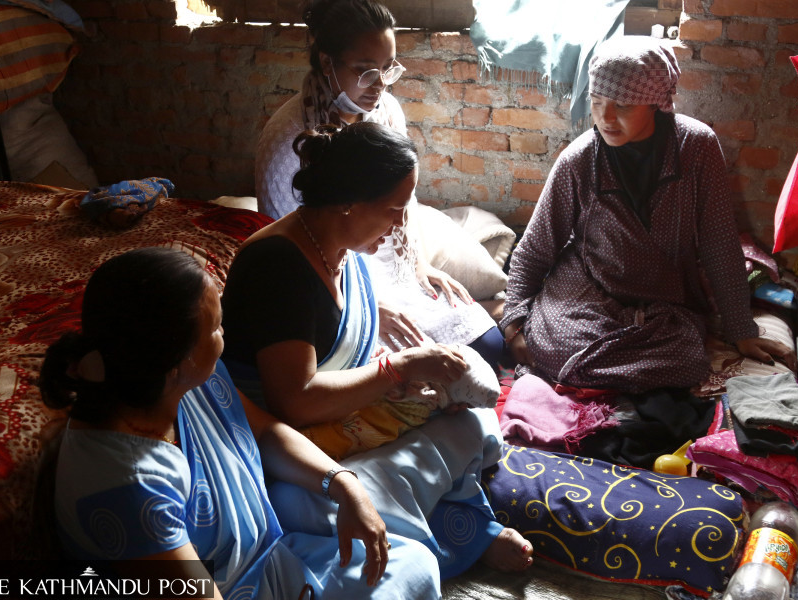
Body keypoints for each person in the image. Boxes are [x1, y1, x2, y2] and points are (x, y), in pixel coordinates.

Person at [40, 247, 442, 600]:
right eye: (215, 327)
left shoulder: (175, 379)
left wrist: (343, 483)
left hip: (269, 562)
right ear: (177, 360)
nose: (224, 332)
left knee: (412, 561)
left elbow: (265, 431)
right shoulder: (130, 492)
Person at [223, 122, 533, 578]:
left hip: (343, 424)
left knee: (473, 419)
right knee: (308, 500)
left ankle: (437, 520)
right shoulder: (278, 267)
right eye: (394, 209)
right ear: (349, 204)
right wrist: (398, 369)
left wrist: (413, 386)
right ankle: (454, 532)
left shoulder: (338, 246)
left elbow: (340, 338)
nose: (400, 225)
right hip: (290, 443)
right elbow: (295, 401)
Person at [500, 36, 797, 394]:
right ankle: (593, 362)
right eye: (596, 103)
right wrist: (514, 322)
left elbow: (720, 242)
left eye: (623, 106)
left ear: (657, 103)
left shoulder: (696, 148)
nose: (605, 118)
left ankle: (596, 368)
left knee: (686, 361)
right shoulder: (579, 161)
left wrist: (741, 331)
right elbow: (534, 249)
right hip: (588, 285)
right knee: (557, 343)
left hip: (663, 296)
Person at [254, 0, 504, 368]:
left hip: (390, 270)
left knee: (490, 347)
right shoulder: (286, 142)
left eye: (389, 69)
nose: (380, 85)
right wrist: (367, 308)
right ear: (327, 63)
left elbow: (405, 203)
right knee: (424, 370)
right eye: (365, 71)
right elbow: (293, 254)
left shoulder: (386, 111)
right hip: (332, 285)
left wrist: (417, 266)